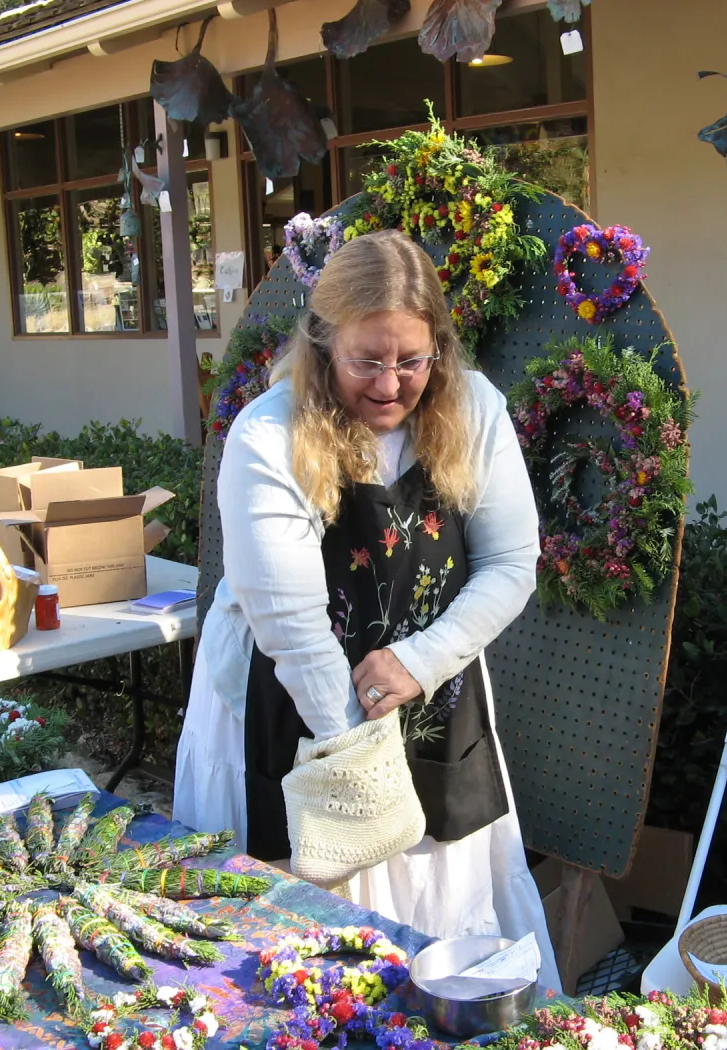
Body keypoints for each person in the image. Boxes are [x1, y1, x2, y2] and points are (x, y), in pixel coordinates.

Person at [174, 228, 561, 991]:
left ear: (439, 351)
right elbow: (289, 622)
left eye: (412, 361)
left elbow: (512, 563)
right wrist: (357, 766)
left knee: (441, 923)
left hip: (432, 697)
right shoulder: (268, 434)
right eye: (367, 361)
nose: (390, 384)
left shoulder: (473, 409)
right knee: (308, 937)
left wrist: (418, 662)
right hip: (293, 705)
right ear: (322, 346)